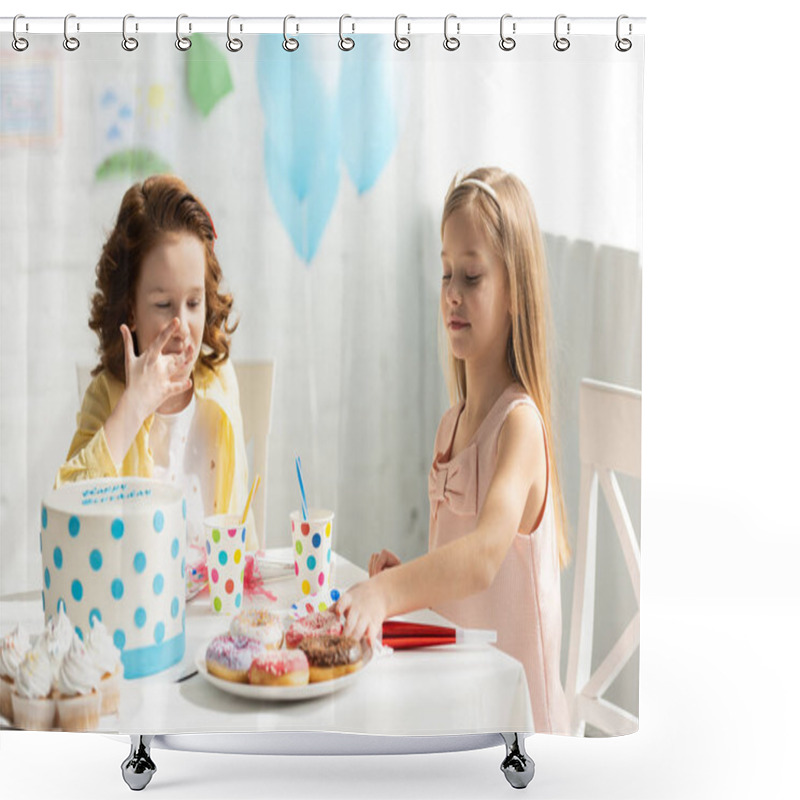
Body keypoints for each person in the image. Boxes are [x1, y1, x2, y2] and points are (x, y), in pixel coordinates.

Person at [336, 167, 571, 733]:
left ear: (516, 291)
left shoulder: (521, 428)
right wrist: (411, 582)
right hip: (462, 710)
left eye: (471, 276)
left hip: (521, 730)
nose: (452, 296)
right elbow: (460, 582)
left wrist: (387, 591)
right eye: (445, 275)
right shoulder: (451, 425)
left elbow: (486, 555)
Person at [55, 174, 256, 551]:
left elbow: (243, 525)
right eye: (163, 305)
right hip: (134, 602)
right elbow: (65, 518)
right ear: (131, 307)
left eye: (194, 303)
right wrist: (134, 408)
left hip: (213, 605)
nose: (181, 326)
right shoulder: (110, 396)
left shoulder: (221, 380)